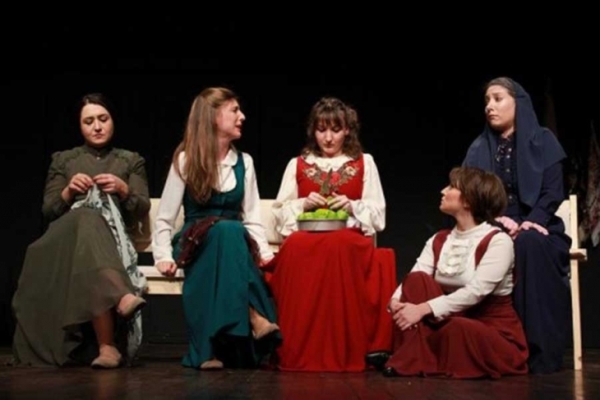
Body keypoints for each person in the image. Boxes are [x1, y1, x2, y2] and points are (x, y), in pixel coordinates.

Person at [11, 93, 150, 369]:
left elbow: (142, 207)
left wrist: (123, 189)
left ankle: (108, 348)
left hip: (108, 237)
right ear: (79, 126)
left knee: (91, 242)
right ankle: (119, 304)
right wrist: (68, 190)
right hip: (63, 240)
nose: (97, 126)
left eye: (103, 119)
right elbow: (49, 210)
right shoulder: (64, 160)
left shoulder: (130, 160)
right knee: (86, 217)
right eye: (89, 121)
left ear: (113, 120)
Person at [152, 87, 280, 370]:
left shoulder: (244, 162)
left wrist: (264, 255)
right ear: (213, 116)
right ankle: (253, 316)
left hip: (232, 245)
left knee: (231, 232)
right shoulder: (186, 159)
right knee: (228, 231)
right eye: (234, 110)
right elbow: (165, 217)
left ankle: (210, 349)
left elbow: (252, 218)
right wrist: (162, 255)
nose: (242, 117)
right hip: (195, 241)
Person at [265, 96, 397, 372]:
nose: (328, 138)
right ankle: (298, 347)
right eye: (321, 130)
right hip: (307, 237)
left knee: (340, 243)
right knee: (296, 245)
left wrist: (352, 205)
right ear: (312, 131)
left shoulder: (364, 162)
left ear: (347, 130)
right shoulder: (298, 164)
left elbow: (378, 214)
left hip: (347, 238)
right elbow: (279, 212)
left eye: (335, 130)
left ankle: (342, 347)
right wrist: (303, 204)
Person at [463, 77, 571, 374]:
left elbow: (553, 192)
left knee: (529, 243)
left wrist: (530, 222)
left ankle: (538, 352)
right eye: (487, 101)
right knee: (483, 242)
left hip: (539, 225)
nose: (490, 106)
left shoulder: (543, 140)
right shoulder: (478, 148)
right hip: (491, 225)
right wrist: (496, 220)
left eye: (497, 99)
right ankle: (489, 351)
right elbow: (470, 196)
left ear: (518, 103)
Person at [384, 166, 529, 379]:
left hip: (487, 328)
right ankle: (417, 358)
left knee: (458, 328)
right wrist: (395, 301)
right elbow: (416, 273)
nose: (443, 191)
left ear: (469, 200)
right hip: (445, 321)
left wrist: (423, 309)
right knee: (417, 280)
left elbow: (476, 292)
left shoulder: (498, 241)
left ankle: (417, 358)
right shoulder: (439, 239)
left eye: (451, 187)